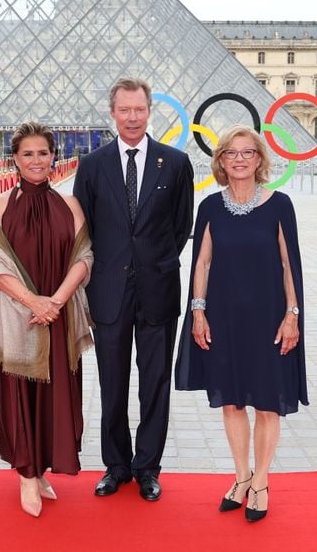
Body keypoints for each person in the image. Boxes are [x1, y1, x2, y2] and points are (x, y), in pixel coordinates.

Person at [175, 125, 308, 523]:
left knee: (268, 403)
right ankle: (241, 477)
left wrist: (292, 315)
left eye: (247, 152)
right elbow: (201, 262)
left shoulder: (280, 204)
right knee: (232, 401)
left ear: (260, 160)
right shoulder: (210, 208)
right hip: (224, 317)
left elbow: (290, 264)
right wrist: (198, 312)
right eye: (231, 153)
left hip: (269, 318)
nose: (239, 159)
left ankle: (262, 482)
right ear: (220, 161)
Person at [73, 77, 193, 502]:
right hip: (107, 292)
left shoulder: (175, 164)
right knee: (112, 382)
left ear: (149, 111)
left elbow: (181, 227)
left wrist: (151, 263)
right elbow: (82, 229)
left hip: (158, 289)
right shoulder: (92, 166)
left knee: (155, 382)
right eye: (124, 110)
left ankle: (148, 467)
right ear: (112, 113)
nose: (132, 117)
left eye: (139, 109)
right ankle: (116, 465)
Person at [0, 121, 93, 518]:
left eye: (43, 152)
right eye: (28, 153)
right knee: (17, 394)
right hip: (15, 317)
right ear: (15, 159)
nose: (36, 160)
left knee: (55, 394)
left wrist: (55, 302)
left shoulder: (70, 205)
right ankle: (26, 473)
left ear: (53, 157)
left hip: (57, 316)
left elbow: (84, 257)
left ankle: (42, 469)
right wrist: (32, 302)